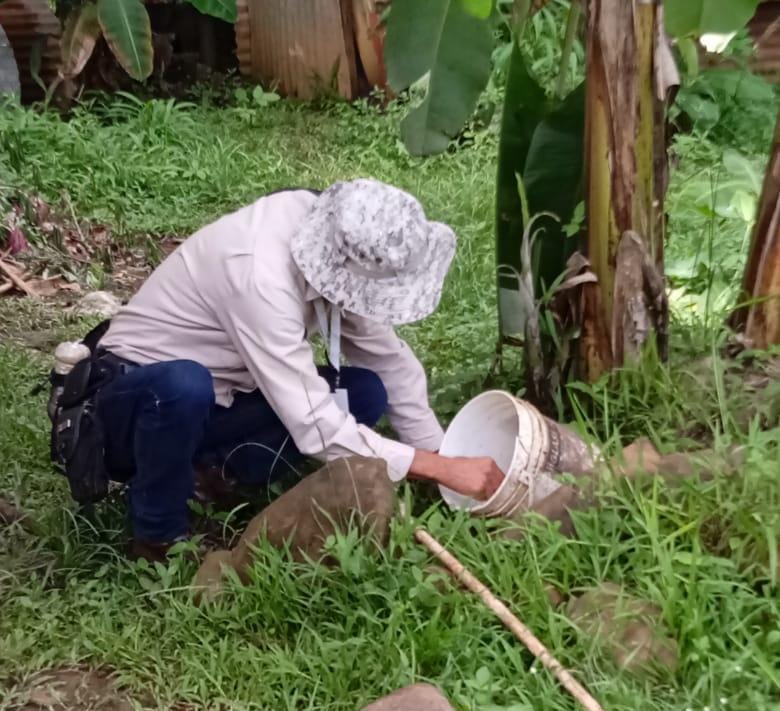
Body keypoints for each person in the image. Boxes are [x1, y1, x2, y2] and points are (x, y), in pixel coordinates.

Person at [88, 179, 502, 559]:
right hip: (134, 403)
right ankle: (157, 536)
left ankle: (207, 475)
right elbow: (317, 427)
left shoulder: (339, 239)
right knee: (183, 385)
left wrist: (441, 457)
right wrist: (439, 468)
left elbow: (390, 361)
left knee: (364, 392)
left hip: (222, 396)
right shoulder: (259, 276)